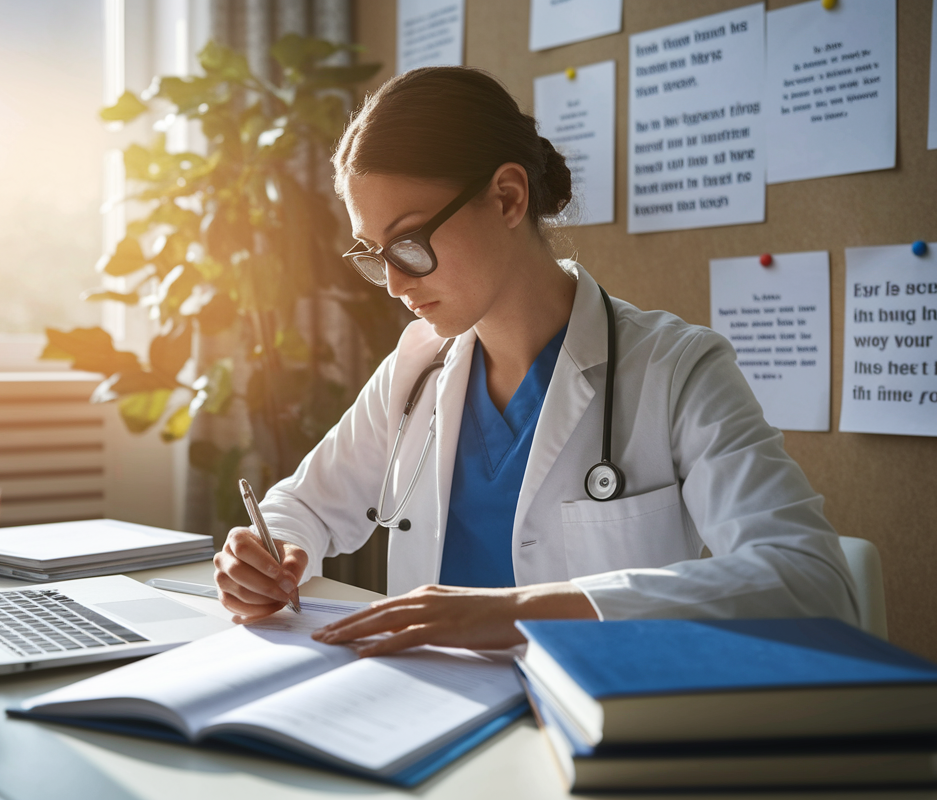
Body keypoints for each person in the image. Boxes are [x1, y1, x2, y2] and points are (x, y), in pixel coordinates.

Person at [212, 66, 859, 656]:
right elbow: (303, 508)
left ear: (507, 198)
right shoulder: (416, 373)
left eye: (408, 242)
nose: (393, 283)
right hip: (433, 726)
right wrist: (273, 555)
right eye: (372, 253)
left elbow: (813, 581)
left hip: (603, 733)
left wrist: (520, 613)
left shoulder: (676, 370)